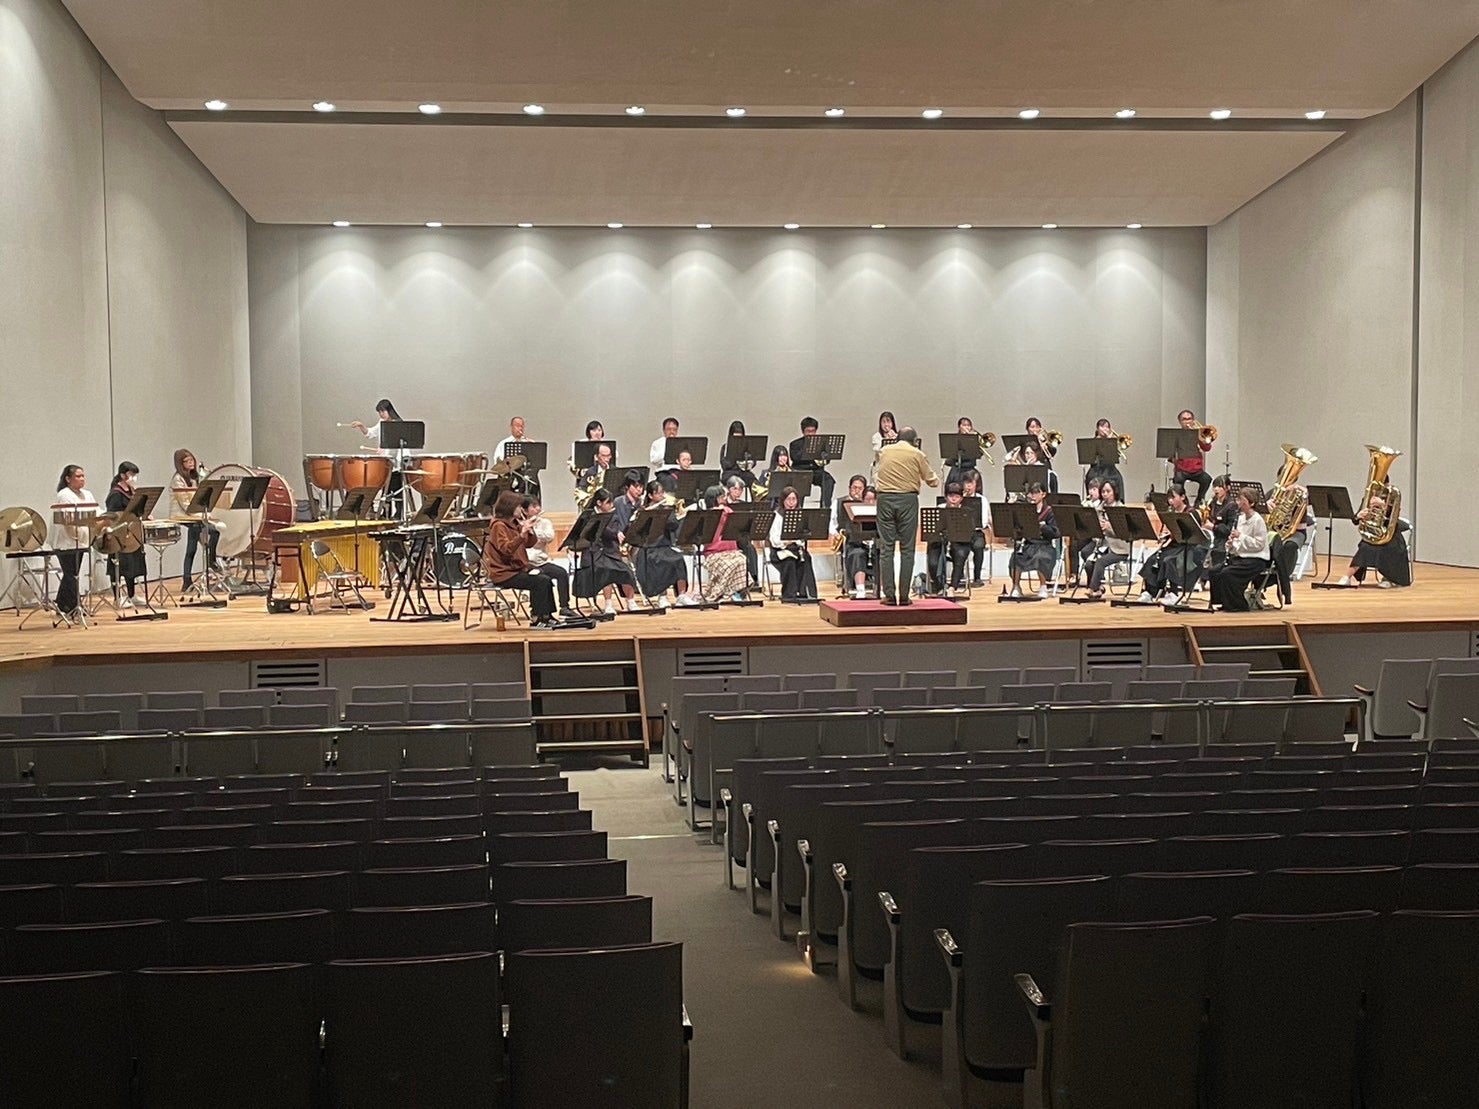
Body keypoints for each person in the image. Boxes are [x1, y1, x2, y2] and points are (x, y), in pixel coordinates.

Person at [874, 426, 939, 605]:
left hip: (884, 499)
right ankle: (903, 596)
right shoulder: (917, 454)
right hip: (907, 500)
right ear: (914, 441)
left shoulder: (884, 451)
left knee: (886, 548)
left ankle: (888, 595)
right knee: (907, 549)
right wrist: (935, 478)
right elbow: (932, 480)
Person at [481, 491, 559, 629]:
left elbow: (529, 544)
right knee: (539, 582)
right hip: (504, 572)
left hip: (517, 568)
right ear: (509, 507)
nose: (520, 509)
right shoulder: (499, 526)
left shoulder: (514, 523)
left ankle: (547, 615)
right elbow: (506, 550)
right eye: (518, 507)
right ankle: (536, 618)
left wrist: (530, 531)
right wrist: (521, 535)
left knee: (545, 578)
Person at [573, 488, 640, 614]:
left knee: (626, 571)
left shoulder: (613, 516)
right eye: (608, 502)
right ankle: (608, 604)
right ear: (599, 503)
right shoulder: (588, 516)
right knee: (606, 571)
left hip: (610, 552)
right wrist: (613, 532)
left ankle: (631, 601)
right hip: (593, 554)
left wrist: (618, 533)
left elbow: (612, 533)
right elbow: (586, 534)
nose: (611, 505)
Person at [1138, 485, 1207, 604]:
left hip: (1188, 547)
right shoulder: (1171, 513)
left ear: (1183, 497)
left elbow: (1194, 534)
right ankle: (1150, 592)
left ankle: (1174, 593)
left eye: (1173, 497)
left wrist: (1174, 533)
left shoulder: (1191, 513)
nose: (1170, 501)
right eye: (1169, 498)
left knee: (1169, 561)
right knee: (1152, 559)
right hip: (1174, 545)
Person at [632, 481, 694, 606]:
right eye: (658, 493)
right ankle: (662, 596)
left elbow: (674, 525)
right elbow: (637, 530)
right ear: (650, 495)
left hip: (664, 546)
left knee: (678, 559)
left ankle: (681, 595)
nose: (662, 495)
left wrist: (666, 514)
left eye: (662, 492)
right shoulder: (642, 510)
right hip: (648, 548)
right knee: (657, 562)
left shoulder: (666, 509)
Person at [1210, 487, 1271, 611]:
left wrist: (1240, 536)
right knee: (1214, 571)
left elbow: (1259, 544)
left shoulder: (1258, 520)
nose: (1239, 503)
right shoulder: (1241, 518)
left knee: (1228, 573)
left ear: (1251, 503)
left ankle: (1238, 605)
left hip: (1256, 559)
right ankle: (1223, 602)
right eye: (1239, 500)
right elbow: (1239, 542)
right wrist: (1231, 544)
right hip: (1241, 557)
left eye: (1242, 501)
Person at [687, 487, 750, 604]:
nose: (725, 499)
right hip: (714, 552)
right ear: (714, 499)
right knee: (729, 564)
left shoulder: (728, 510)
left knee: (742, 560)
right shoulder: (707, 515)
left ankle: (735, 592)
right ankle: (722, 592)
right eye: (721, 497)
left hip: (731, 551)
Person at [50, 464, 96, 622]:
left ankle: (63, 605)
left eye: (83, 476)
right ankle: (75, 605)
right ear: (68, 479)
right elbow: (67, 520)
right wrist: (77, 536)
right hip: (66, 541)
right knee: (71, 574)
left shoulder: (87, 494)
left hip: (82, 540)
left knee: (72, 573)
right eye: (78, 476)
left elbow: (95, 512)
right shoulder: (64, 495)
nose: (82, 479)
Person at [170, 448, 220, 591]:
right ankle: (189, 577)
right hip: (183, 514)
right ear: (180, 464)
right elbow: (185, 504)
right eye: (187, 461)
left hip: (194, 514)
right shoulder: (177, 479)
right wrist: (200, 515)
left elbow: (198, 498)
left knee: (213, 532)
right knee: (193, 544)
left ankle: (210, 562)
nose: (191, 463)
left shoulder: (194, 477)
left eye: (192, 460)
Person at [1339, 494, 1411, 587]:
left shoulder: (1392, 497)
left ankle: (1389, 578)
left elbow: (1395, 519)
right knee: (1365, 547)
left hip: (1391, 536)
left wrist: (1383, 506)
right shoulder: (1368, 498)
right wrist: (1359, 515)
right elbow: (1355, 520)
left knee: (1388, 548)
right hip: (1374, 534)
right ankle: (1347, 577)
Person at [522, 495, 576, 618]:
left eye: (538, 505)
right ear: (525, 511)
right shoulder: (519, 524)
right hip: (526, 562)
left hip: (541, 561)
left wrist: (534, 531)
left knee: (561, 573)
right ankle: (537, 610)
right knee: (539, 577)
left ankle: (564, 607)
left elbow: (550, 537)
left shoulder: (545, 522)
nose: (537, 508)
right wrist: (525, 528)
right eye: (533, 506)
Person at [104, 461, 146, 608]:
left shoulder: (132, 491)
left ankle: (132, 595)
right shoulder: (116, 493)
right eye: (131, 474)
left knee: (132, 566)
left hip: (132, 533)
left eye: (135, 474)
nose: (134, 477)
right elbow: (113, 515)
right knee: (119, 566)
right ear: (123, 475)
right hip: (119, 534)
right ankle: (117, 597)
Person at [1008, 481, 1059, 598]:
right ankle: (1016, 586)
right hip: (1029, 544)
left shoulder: (1049, 511)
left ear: (1043, 494)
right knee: (1015, 558)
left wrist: (1043, 527)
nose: (1033, 496)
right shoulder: (1026, 510)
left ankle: (1043, 586)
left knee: (1041, 557)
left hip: (1044, 545)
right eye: (1032, 493)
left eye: (1036, 493)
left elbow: (1055, 532)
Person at [1080, 480, 1130, 597]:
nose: (1105, 494)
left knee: (1100, 562)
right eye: (1103, 492)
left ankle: (1092, 588)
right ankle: (1099, 588)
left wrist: (1109, 527)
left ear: (1114, 492)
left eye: (1108, 491)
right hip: (1102, 544)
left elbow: (1125, 533)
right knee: (1088, 563)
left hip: (1118, 547)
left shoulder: (1121, 509)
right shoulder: (1100, 508)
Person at [768, 486, 818, 601]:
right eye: (788, 499)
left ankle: (806, 593)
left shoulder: (800, 515)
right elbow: (774, 540)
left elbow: (802, 538)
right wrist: (788, 541)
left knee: (806, 558)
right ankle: (789, 595)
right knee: (789, 561)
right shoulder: (777, 516)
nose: (791, 503)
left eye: (794, 499)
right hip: (779, 551)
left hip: (795, 549)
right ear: (783, 501)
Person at [926, 482, 975, 594]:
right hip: (939, 542)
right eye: (951, 496)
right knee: (933, 562)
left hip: (959, 542)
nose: (953, 499)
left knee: (960, 556)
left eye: (957, 496)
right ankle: (939, 586)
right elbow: (932, 530)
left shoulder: (966, 512)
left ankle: (952, 587)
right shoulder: (939, 509)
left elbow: (970, 531)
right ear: (946, 497)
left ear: (961, 498)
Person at [831, 474, 872, 599]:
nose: (856, 491)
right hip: (850, 542)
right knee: (857, 554)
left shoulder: (869, 503)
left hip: (869, 542)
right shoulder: (839, 503)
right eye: (854, 488)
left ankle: (881, 588)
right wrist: (836, 534)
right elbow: (832, 525)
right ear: (849, 488)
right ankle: (860, 589)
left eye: (860, 488)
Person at [789, 416, 835, 505]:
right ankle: (798, 508)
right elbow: (795, 457)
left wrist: (825, 457)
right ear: (803, 431)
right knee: (799, 485)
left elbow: (827, 459)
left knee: (829, 480)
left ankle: (824, 507)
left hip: (816, 471)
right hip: (801, 471)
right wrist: (810, 452)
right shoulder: (795, 444)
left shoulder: (821, 443)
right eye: (808, 431)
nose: (810, 434)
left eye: (813, 431)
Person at [1172, 409, 1214, 505]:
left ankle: (1199, 501)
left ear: (1193, 420)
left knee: (1207, 479)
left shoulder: (1198, 434)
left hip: (1197, 470)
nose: (1187, 421)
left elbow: (1207, 448)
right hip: (1182, 469)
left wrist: (1204, 441)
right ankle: (1184, 503)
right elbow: (1170, 453)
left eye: (1189, 419)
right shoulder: (1176, 435)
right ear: (1180, 421)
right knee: (1178, 481)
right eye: (1184, 419)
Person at [1085, 419, 1126, 503]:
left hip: (1110, 468)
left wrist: (1110, 442)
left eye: (1107, 427)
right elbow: (1090, 458)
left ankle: (1119, 502)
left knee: (1118, 477)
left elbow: (1116, 457)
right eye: (1102, 426)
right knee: (1089, 476)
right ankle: (1091, 500)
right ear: (1097, 429)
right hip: (1096, 469)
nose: (1105, 429)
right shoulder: (1093, 442)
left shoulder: (1112, 441)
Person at [959, 470, 989, 586]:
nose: (968, 486)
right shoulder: (959, 499)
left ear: (976, 484)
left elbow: (984, 521)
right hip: (960, 532)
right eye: (966, 483)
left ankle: (977, 577)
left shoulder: (982, 499)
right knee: (958, 548)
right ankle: (959, 576)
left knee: (978, 546)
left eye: (971, 483)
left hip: (976, 532)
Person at [719, 420, 760, 496]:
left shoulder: (747, 447)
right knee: (734, 481)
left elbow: (753, 461)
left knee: (754, 482)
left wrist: (749, 463)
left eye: (740, 437)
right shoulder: (726, 447)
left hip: (744, 472)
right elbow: (724, 465)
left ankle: (756, 501)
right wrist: (736, 461)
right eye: (735, 437)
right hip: (730, 473)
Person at [870, 411, 899, 483]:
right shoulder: (877, 436)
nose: (886, 424)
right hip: (880, 468)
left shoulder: (898, 436)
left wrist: (895, 438)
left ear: (892, 423)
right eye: (883, 422)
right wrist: (888, 439)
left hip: (894, 468)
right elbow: (878, 450)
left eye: (888, 421)